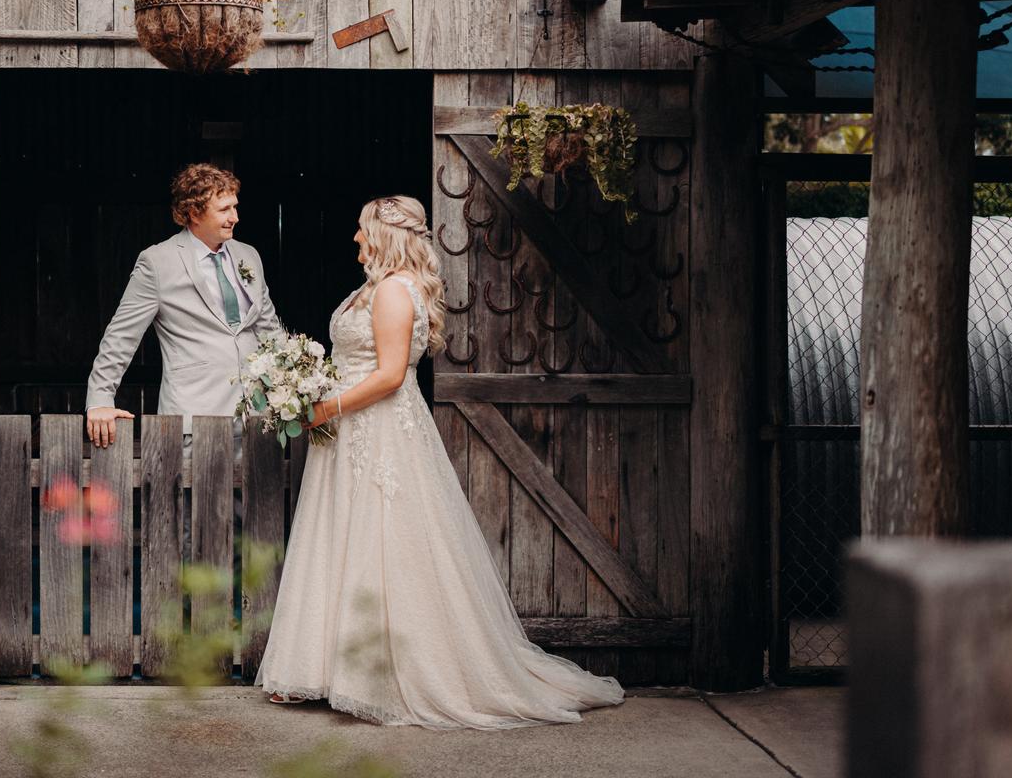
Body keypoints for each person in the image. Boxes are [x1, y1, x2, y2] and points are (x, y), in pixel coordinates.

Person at [256, 195, 625, 728]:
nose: (356, 239)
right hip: (350, 433)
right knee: (340, 535)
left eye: (362, 231)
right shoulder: (377, 288)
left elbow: (388, 377)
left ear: (383, 236)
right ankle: (323, 668)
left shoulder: (392, 293)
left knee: (382, 542)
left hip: (377, 431)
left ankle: (379, 676)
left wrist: (321, 407)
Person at [85, 163, 284, 448]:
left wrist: (296, 385)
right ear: (193, 212)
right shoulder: (158, 262)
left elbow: (269, 329)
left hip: (259, 419)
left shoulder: (248, 255)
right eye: (224, 210)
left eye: (235, 207)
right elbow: (121, 336)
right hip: (196, 419)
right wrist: (100, 399)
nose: (235, 217)